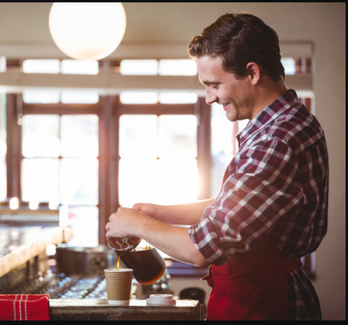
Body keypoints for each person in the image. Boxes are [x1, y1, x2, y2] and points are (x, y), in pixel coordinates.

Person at [105, 12, 328, 320]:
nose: (209, 98)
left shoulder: (276, 140)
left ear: (252, 72)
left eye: (214, 85)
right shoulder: (285, 123)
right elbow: (242, 208)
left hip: (264, 302)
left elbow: (203, 248)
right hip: (259, 293)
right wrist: (161, 213)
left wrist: (137, 225)